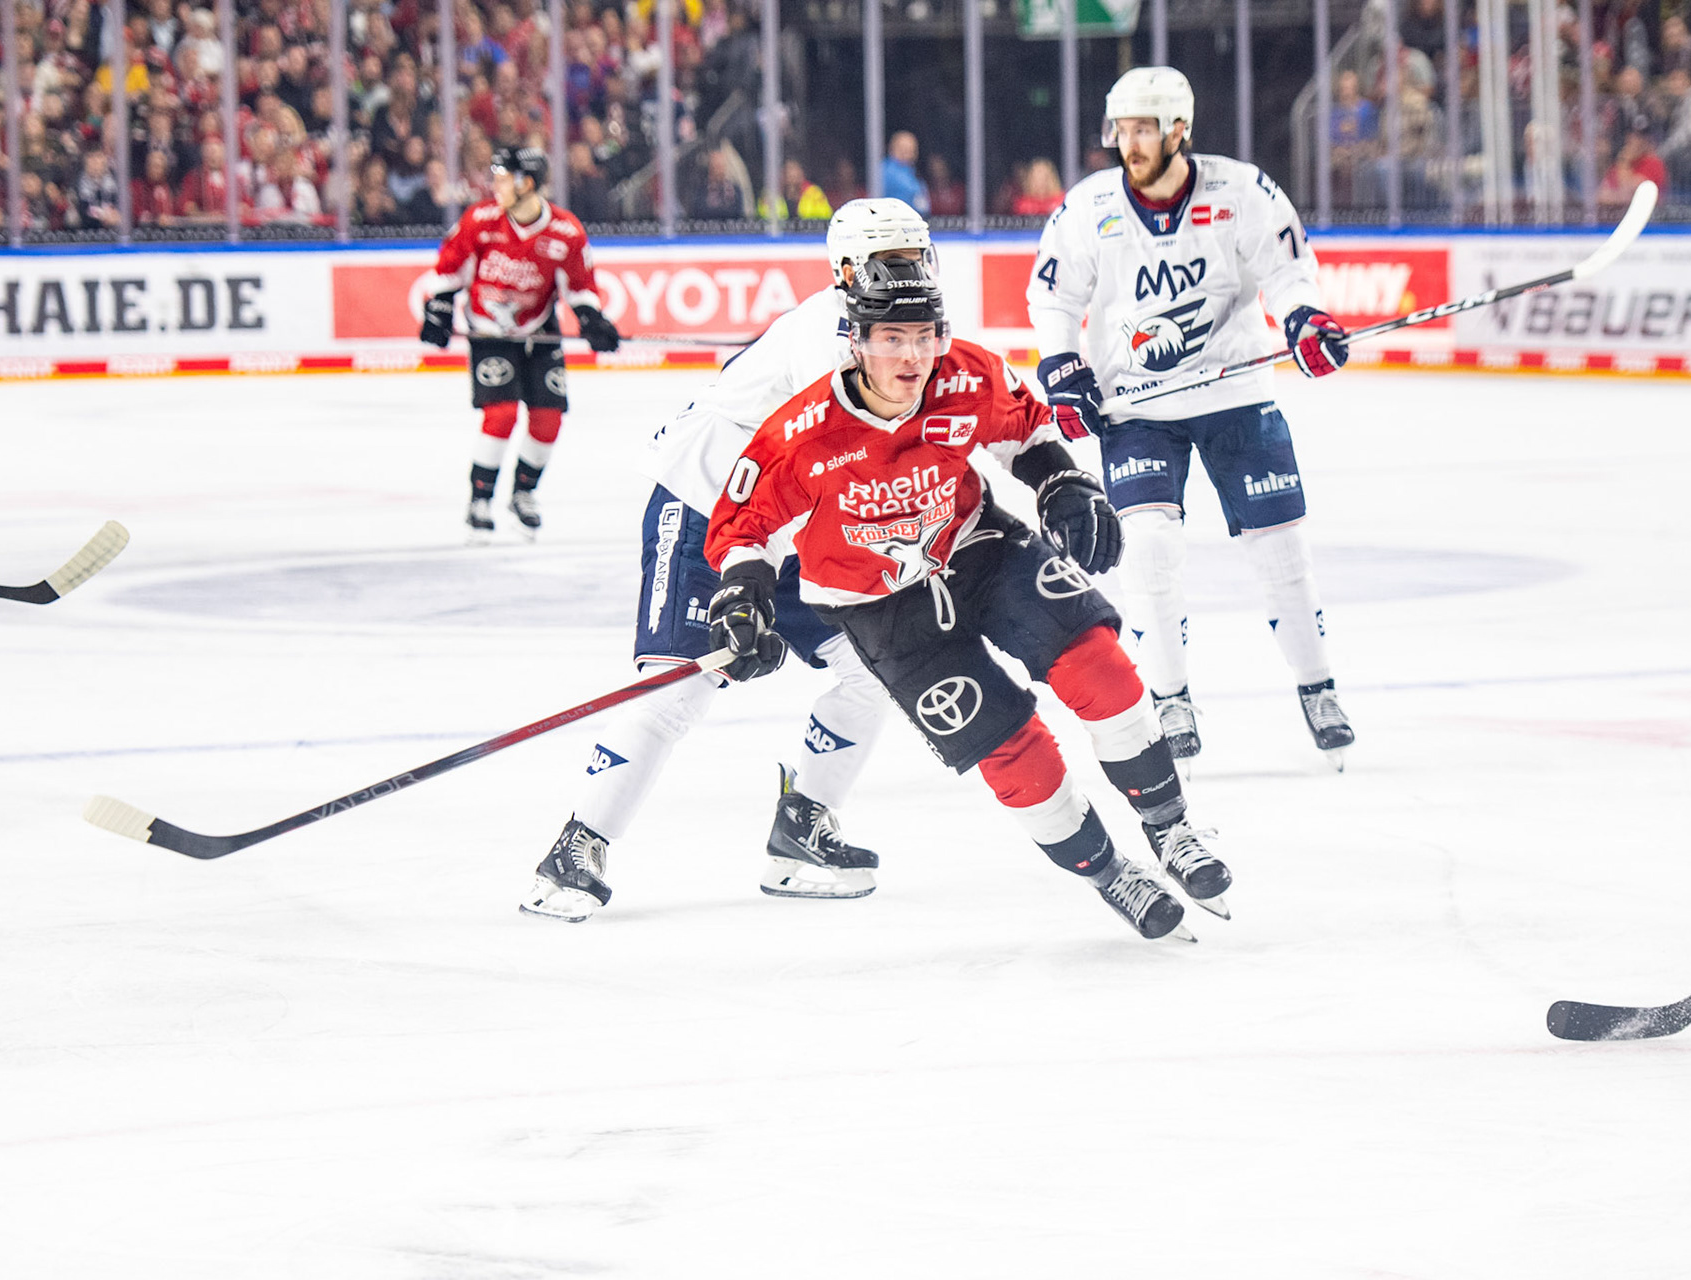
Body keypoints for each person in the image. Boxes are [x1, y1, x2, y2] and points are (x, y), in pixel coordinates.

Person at [700, 257, 1231, 941]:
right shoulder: (803, 432)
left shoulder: (965, 374)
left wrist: (1061, 483)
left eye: (925, 335)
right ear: (856, 341)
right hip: (881, 610)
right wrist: (743, 600)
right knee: (1013, 752)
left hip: (980, 551)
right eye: (892, 337)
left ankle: (1172, 828)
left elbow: (1027, 432)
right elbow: (743, 528)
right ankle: (1110, 873)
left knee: (1099, 668)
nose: (914, 355)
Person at [519, 200, 938, 923]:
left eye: (915, 258)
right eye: (889, 263)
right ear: (847, 273)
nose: (908, 274)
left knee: (875, 666)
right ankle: (577, 844)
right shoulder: (821, 344)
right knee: (681, 688)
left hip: (793, 524)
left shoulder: (897, 334)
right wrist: (749, 593)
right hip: (706, 506)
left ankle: (803, 826)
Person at [1026, 66, 1357, 771]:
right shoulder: (1089, 208)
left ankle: (1317, 685)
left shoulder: (1239, 191)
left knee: (1280, 549)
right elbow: (1053, 297)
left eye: (1145, 128)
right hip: (1139, 408)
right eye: (1122, 129)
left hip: (1235, 396)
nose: (1130, 142)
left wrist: (1303, 317)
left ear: (1181, 129)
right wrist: (1061, 367)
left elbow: (1288, 267)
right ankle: (1170, 698)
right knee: (1147, 548)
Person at [418, 146, 622, 542]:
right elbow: (448, 268)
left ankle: (524, 493)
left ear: (526, 183)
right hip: (489, 333)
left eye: (502, 177)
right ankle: (480, 498)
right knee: (502, 415)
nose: (494, 185)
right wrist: (439, 308)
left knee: (548, 418)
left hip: (538, 333)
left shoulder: (566, 232)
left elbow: (580, 288)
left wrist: (591, 319)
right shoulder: (481, 220)